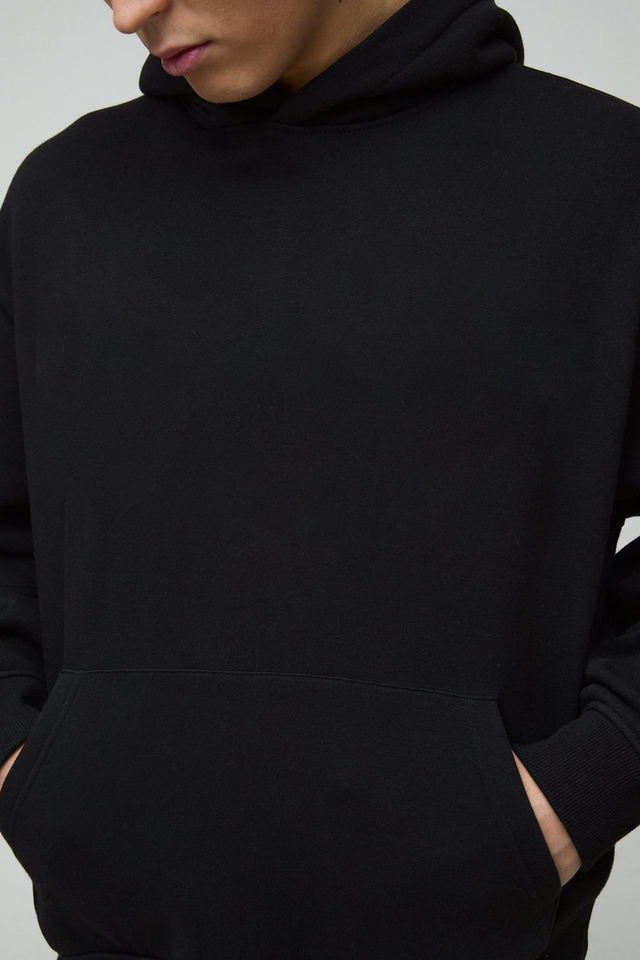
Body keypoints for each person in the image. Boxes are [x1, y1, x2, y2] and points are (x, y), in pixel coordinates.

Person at [0, 0, 639, 956]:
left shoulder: (606, 180)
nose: (129, 13)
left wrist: (571, 795)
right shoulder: (65, 194)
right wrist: (30, 775)